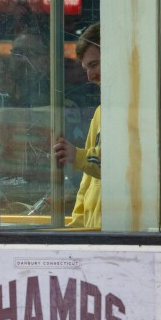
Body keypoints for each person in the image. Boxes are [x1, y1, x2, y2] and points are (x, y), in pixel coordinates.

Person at [54, 22, 101, 229]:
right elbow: (88, 181)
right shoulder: (102, 111)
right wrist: (77, 224)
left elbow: (123, 167)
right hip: (95, 231)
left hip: (120, 233)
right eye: (86, 68)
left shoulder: (136, 108)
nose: (90, 77)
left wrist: (78, 156)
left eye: (94, 65)